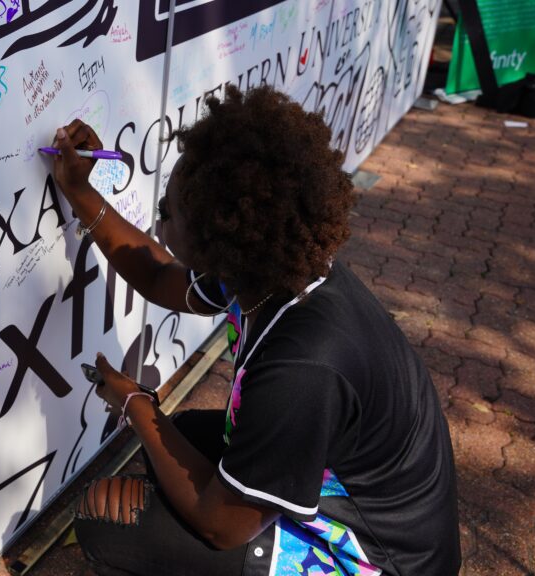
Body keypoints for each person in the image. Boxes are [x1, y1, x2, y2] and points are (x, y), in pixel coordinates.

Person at [50, 85, 461, 575]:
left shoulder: (304, 365)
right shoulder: (272, 271)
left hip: (385, 563)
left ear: (216, 234)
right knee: (178, 440)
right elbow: (158, 276)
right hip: (371, 517)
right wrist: (80, 191)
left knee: (105, 517)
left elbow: (219, 523)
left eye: (167, 214)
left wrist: (136, 405)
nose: (159, 225)